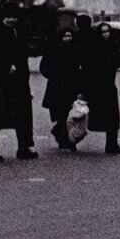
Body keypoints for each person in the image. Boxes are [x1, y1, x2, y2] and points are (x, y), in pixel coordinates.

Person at [41, 13, 85, 151]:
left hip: (70, 87)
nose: (67, 39)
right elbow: (44, 67)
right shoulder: (53, 50)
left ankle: (64, 137)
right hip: (57, 87)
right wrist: (54, 76)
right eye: (65, 36)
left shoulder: (76, 50)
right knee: (62, 114)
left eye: (69, 36)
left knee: (68, 114)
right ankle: (65, 139)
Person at [0, 14, 38, 160]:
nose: (12, 19)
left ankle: (24, 146)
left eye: (15, 16)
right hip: (6, 81)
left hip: (20, 80)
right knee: (0, 116)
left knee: (23, 116)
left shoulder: (19, 32)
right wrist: (7, 66)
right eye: (9, 16)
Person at [82, 21, 120, 154]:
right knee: (103, 115)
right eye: (103, 32)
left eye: (108, 31)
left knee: (113, 116)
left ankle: (112, 143)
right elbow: (89, 68)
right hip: (98, 86)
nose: (106, 34)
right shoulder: (94, 48)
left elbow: (118, 60)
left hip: (109, 85)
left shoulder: (112, 45)